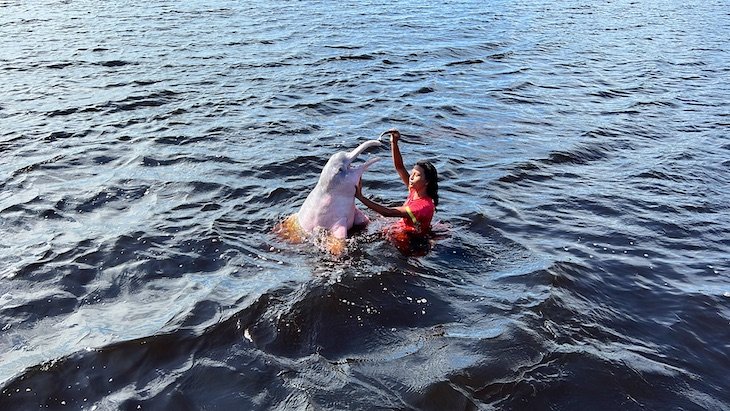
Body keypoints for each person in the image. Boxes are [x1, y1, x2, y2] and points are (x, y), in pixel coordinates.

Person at [355, 129, 438, 253]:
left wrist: (360, 197)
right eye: (412, 173)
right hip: (405, 228)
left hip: (411, 240)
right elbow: (399, 167)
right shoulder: (416, 189)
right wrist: (394, 142)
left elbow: (388, 212)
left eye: (417, 175)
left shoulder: (422, 206)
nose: (411, 176)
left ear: (427, 182)